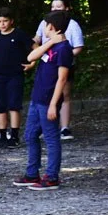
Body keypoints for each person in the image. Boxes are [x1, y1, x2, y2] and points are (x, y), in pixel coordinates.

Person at [16, 12, 74, 190]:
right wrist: (50, 42)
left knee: (51, 138)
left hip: (48, 100)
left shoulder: (64, 49)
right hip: (37, 97)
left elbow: (62, 79)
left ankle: (52, 177)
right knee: (30, 135)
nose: (43, 29)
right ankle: (32, 173)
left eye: (45, 25)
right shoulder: (51, 45)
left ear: (51, 27)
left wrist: (53, 105)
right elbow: (30, 57)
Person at [34, 0, 85, 140]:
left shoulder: (72, 24)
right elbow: (37, 39)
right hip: (47, 63)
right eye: (53, 6)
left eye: (59, 6)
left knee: (64, 94)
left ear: (67, 8)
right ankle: (45, 126)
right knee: (45, 95)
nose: (55, 8)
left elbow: (78, 46)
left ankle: (64, 127)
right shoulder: (45, 22)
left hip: (63, 63)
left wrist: (63, 57)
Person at [0, 7, 31, 148]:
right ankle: (2, 135)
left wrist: (31, 63)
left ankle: (15, 135)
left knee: (14, 105)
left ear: (11, 21)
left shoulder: (19, 34)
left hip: (15, 74)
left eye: (5, 21)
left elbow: (34, 47)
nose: (2, 24)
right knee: (1, 106)